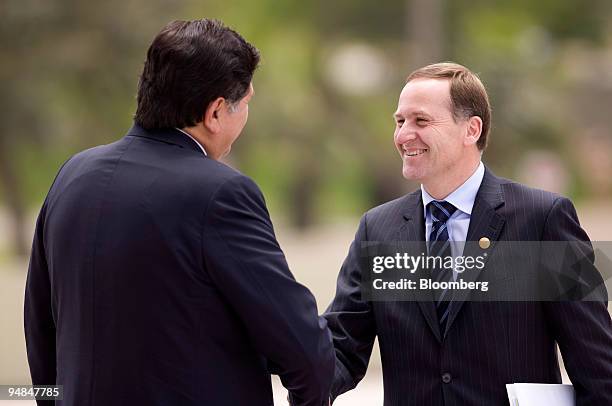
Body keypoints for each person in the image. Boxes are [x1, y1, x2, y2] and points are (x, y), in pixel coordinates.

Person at [24, 19, 334, 406]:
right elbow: (302, 347)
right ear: (216, 112)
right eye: (247, 103)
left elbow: (40, 329)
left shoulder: (72, 176)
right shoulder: (221, 193)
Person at [324, 62, 612, 405]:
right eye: (399, 121)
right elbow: (340, 350)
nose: (402, 135)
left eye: (421, 121)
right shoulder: (378, 229)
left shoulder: (544, 219)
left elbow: (597, 367)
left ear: (471, 129)